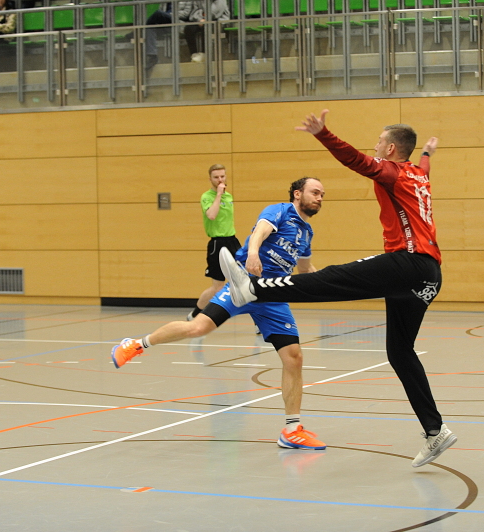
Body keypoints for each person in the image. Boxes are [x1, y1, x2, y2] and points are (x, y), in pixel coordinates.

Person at [219, 110, 457, 468]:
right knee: (400, 351)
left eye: (379, 142)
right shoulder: (418, 174)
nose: (375, 146)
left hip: (407, 262)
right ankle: (435, 430)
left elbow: (356, 160)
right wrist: (427, 153)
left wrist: (323, 133)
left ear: (391, 149)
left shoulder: (391, 171)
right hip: (429, 277)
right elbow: (423, 166)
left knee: (331, 279)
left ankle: (254, 289)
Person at [111, 177, 328, 450]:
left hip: (273, 296)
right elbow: (261, 231)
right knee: (198, 328)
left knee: (294, 358)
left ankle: (292, 430)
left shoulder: (306, 233)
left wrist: (332, 284)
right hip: (243, 283)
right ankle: (136, 344)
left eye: (322, 194)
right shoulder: (280, 211)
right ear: (297, 194)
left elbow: (306, 270)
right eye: (315, 192)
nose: (320, 198)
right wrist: (253, 253)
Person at [185, 163, 242, 323]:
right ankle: (194, 315)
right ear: (210, 179)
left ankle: (260, 320)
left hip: (233, 241)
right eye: (216, 177)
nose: (220, 180)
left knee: (247, 280)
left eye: (222, 176)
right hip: (218, 243)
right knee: (218, 286)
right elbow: (211, 215)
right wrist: (218, 195)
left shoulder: (229, 196)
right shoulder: (207, 197)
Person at [144, 0, 229, 71]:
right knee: (150, 27)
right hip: (172, 22)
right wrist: (200, 18)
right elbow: (195, 12)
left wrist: (169, 15)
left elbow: (187, 13)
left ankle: (204, 54)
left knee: (158, 14)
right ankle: (152, 56)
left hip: (180, 21)